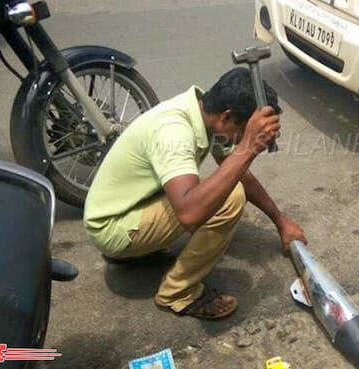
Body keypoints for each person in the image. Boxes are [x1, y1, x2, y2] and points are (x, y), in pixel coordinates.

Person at [83, 68, 307, 319]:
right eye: (242, 132)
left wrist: (280, 221)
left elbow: (238, 171)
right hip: (111, 226)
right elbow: (190, 214)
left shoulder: (205, 114)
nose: (238, 141)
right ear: (227, 117)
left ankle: (140, 251)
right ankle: (177, 293)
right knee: (229, 198)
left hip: (125, 207)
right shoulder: (174, 132)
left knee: (223, 183)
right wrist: (248, 148)